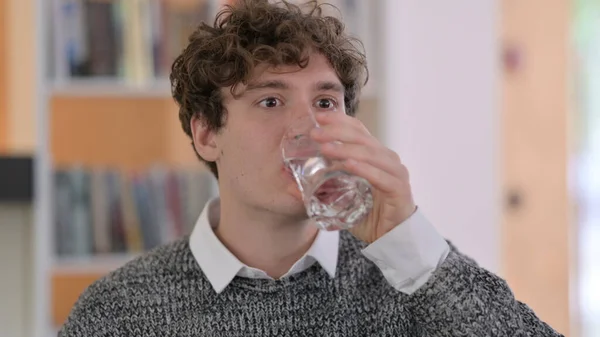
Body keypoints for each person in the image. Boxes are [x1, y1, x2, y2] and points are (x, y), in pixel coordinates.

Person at [59, 1, 563, 336]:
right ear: (207, 134)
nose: (308, 128)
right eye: (271, 101)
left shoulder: (415, 274)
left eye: (325, 102)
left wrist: (411, 242)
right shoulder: (118, 312)